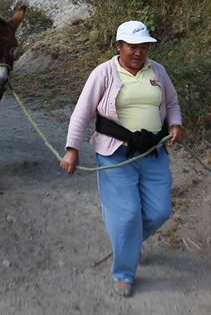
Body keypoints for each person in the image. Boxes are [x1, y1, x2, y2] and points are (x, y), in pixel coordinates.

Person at [60, 20, 184, 297]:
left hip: (153, 151)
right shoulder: (104, 73)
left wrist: (175, 125)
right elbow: (82, 112)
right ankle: (124, 273)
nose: (138, 53)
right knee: (127, 215)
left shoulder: (158, 72)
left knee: (160, 210)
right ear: (119, 46)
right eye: (132, 47)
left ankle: (128, 244)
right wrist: (72, 148)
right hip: (114, 152)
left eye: (143, 47)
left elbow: (172, 103)